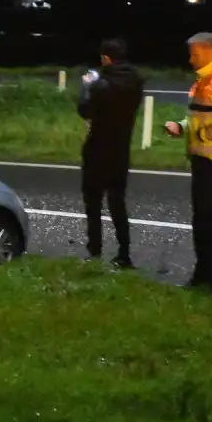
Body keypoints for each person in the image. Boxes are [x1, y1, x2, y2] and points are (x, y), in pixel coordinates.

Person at [163, 32, 212, 295]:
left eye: (195, 53)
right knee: (201, 220)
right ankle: (202, 276)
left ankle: (211, 279)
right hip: (201, 158)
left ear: (211, 51)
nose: (190, 58)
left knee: (208, 221)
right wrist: (182, 127)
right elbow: (201, 118)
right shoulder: (203, 80)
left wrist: (203, 135)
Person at [76, 38, 145, 269]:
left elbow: (85, 110)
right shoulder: (135, 81)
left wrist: (87, 86)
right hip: (120, 151)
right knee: (118, 204)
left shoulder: (102, 85)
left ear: (106, 58)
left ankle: (95, 252)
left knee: (93, 204)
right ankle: (124, 253)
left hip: (97, 151)